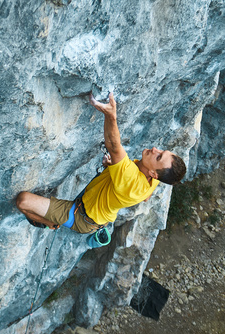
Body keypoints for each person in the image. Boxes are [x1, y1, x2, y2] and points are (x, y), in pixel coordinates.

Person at [15, 92, 187, 234]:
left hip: (82, 218)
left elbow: (113, 145)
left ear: (153, 174)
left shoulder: (134, 184)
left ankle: (51, 223)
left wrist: (110, 115)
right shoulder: (156, 178)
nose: (155, 149)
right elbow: (146, 196)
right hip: (93, 212)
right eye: (162, 152)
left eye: (158, 157)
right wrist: (112, 169)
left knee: (23, 201)